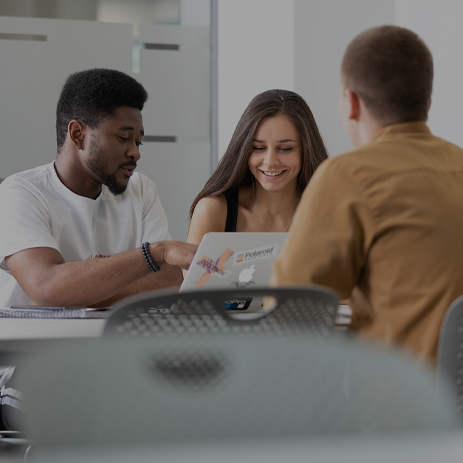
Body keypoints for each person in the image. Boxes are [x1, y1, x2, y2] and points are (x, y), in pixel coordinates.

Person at [271, 25, 463, 364]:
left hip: (400, 408)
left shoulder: (348, 176)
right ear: (427, 103)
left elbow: (288, 310)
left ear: (352, 103)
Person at [0, 68, 197, 308]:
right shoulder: (21, 194)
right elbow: (46, 286)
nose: (136, 152)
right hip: (37, 344)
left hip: (112, 342)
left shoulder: (141, 188)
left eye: (138, 141)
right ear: (77, 134)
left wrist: (75, 294)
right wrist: (154, 254)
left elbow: (171, 278)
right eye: (123, 138)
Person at [187, 89, 328, 244]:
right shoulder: (213, 211)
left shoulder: (331, 212)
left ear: (306, 150)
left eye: (285, 149)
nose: (270, 161)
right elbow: (192, 269)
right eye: (258, 148)